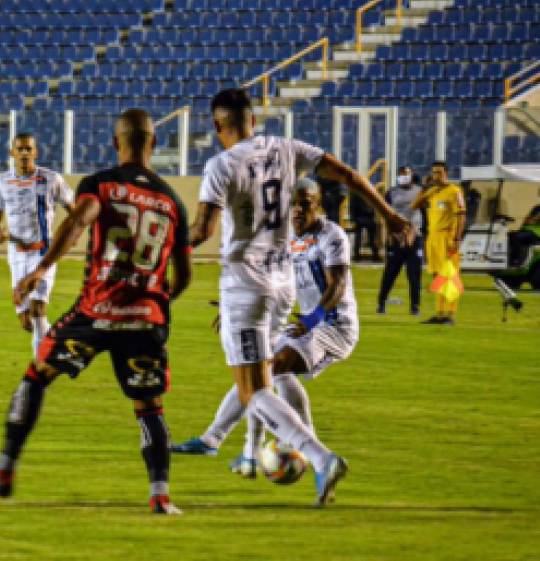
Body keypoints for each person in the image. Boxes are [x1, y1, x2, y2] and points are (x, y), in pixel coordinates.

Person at [171, 88, 411, 506]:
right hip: (281, 286)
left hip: (248, 284)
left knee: (254, 389)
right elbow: (348, 174)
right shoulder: (286, 149)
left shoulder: (221, 165)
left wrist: (165, 251)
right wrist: (387, 214)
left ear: (216, 124)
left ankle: (319, 457)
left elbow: (203, 230)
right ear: (252, 119)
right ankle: (241, 449)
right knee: (269, 375)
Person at [0, 109, 193, 515]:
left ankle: (4, 472)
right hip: (145, 319)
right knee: (149, 406)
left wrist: (41, 269)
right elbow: (184, 276)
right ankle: (160, 496)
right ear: (153, 143)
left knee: (38, 374)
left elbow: (77, 222)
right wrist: (153, 301)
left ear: (115, 143)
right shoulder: (173, 200)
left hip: (96, 312)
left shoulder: (100, 184)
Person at [173, 179, 360, 478]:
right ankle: (218, 441)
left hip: (334, 326)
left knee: (274, 368)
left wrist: (312, 319)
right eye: (292, 204)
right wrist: (234, 304)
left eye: (305, 204)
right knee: (259, 370)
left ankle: (281, 447)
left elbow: (337, 284)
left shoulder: (331, 235)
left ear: (318, 205)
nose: (297, 210)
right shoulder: (283, 238)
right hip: (304, 324)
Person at [0, 132, 74, 354]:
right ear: (12, 153)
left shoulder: (51, 179)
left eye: (29, 149)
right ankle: (59, 345)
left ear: (36, 152)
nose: (25, 153)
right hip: (16, 256)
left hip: (43, 253)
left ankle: (41, 365)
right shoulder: (1, 183)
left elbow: (75, 211)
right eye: (20, 149)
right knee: (27, 321)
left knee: (38, 309)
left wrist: (70, 235)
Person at [412, 161, 466, 325]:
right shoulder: (432, 192)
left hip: (447, 237)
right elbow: (415, 205)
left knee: (450, 275)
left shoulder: (455, 191)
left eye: (439, 172)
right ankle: (440, 314)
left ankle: (451, 314)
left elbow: (461, 215)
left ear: (446, 174)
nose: (436, 175)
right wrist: (424, 187)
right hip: (433, 238)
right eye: (434, 172)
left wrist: (457, 238)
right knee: (438, 276)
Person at [377, 165, 424, 315]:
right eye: (401, 175)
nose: (403, 177)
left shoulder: (420, 192)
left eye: (406, 174)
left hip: (414, 237)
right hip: (396, 238)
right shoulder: (391, 193)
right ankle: (381, 303)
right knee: (390, 272)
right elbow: (384, 215)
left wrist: (423, 232)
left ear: (411, 176)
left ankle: (415, 307)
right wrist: (385, 236)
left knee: (414, 274)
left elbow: (425, 213)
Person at [508, 186, 540, 267]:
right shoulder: (536, 208)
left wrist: (531, 220)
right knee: (510, 235)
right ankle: (510, 258)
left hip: (538, 233)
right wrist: (530, 221)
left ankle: (517, 259)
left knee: (516, 237)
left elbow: (534, 220)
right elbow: (526, 220)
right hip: (529, 230)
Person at [348, 185, 380, 262]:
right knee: (369, 238)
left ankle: (358, 256)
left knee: (361, 238)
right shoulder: (368, 193)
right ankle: (374, 256)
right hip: (365, 218)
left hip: (361, 218)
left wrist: (353, 219)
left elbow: (352, 207)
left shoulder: (356, 193)